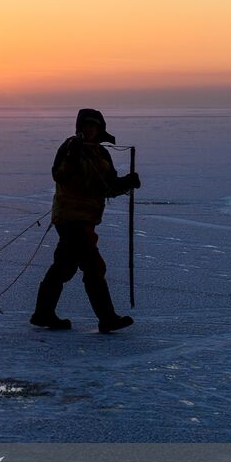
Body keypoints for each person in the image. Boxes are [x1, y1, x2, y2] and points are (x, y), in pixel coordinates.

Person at [30, 108, 140, 333]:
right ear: (79, 128)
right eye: (86, 125)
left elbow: (107, 187)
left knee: (65, 266)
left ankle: (43, 313)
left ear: (100, 129)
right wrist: (73, 155)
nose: (90, 129)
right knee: (93, 266)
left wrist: (127, 183)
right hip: (70, 218)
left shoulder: (101, 153)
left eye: (94, 126)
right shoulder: (70, 148)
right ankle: (107, 318)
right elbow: (61, 176)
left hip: (87, 218)